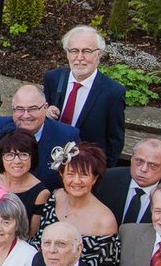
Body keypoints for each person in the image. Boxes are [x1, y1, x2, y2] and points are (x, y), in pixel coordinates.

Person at [30, 142, 121, 266]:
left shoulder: (105, 221)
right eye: (70, 174)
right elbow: (38, 240)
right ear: (62, 175)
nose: (76, 181)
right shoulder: (55, 197)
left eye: (84, 175)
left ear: (95, 178)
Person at [0, 84, 80, 192]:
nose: (26, 115)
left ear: (45, 107)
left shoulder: (67, 136)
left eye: (33, 108)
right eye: (20, 109)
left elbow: (75, 174)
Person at [44, 25, 127, 166]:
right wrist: (45, 112)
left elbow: (115, 141)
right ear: (67, 53)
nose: (79, 57)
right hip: (51, 157)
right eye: (74, 51)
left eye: (87, 51)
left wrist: (102, 174)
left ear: (99, 54)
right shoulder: (53, 78)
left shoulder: (113, 92)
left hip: (85, 167)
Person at [95, 137, 161, 225]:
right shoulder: (107, 179)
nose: (143, 169)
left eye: (153, 165)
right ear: (131, 159)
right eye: (139, 161)